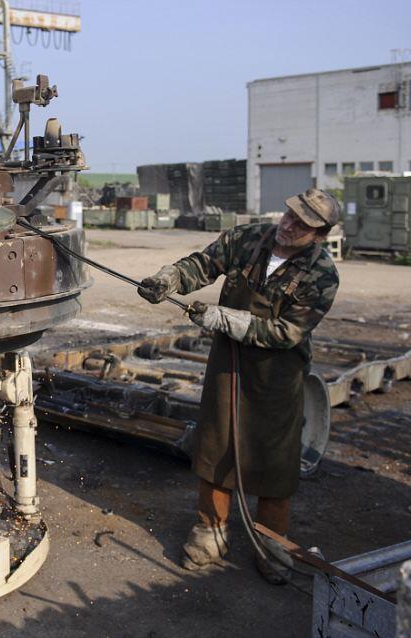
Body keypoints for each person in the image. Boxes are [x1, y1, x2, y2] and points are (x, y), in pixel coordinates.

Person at [137, 188, 340, 584]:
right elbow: (205, 263)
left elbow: (288, 331)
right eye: (289, 215)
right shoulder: (250, 238)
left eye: (301, 225)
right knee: (216, 444)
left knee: (275, 458)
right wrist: (171, 278)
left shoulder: (322, 275)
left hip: (277, 374)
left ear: (319, 235)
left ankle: (271, 542)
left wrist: (228, 320)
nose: (288, 225)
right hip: (229, 364)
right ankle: (209, 533)